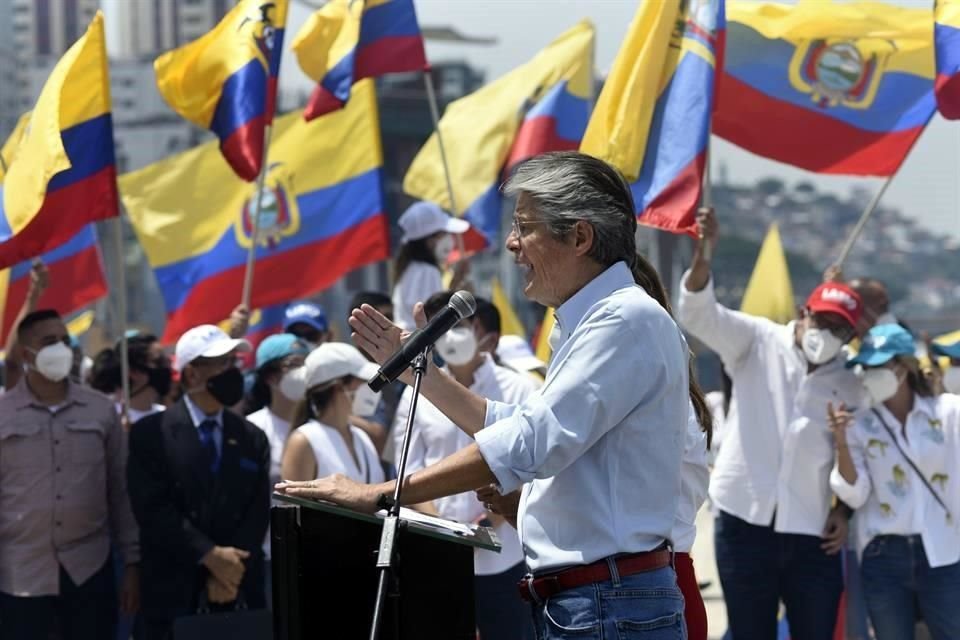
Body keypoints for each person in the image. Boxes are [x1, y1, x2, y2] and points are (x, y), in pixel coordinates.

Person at [278, 151, 713, 639]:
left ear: (580, 237)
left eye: (525, 227)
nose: (511, 243)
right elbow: (521, 424)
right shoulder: (591, 322)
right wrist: (421, 373)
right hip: (594, 601)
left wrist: (380, 495)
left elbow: (528, 441)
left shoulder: (623, 320)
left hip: (608, 603)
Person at [678, 206, 867, 639]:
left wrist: (846, 511)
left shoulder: (852, 384)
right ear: (803, 313)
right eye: (822, 320)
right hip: (743, 520)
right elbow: (699, 314)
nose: (827, 333)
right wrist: (703, 256)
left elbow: (858, 458)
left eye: (840, 329)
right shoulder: (758, 339)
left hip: (812, 530)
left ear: (851, 338)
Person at [395, 290, 540, 640]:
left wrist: (487, 521)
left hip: (506, 559)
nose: (448, 336)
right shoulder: (415, 392)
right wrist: (444, 530)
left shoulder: (519, 388)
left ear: (479, 329)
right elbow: (407, 472)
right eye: (437, 328)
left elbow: (531, 463)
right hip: (439, 559)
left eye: (456, 324)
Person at [0, 310, 139, 640]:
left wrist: (133, 563)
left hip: (89, 569)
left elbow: (120, 491)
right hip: (20, 575)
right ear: (25, 353)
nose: (60, 349)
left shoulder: (101, 410)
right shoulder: (3, 415)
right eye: (49, 342)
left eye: (65, 341)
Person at [127, 324, 270, 640]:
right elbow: (153, 510)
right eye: (221, 363)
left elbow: (257, 511)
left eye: (233, 362)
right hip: (174, 590)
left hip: (239, 588)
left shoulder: (251, 437)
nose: (231, 371)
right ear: (192, 374)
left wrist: (230, 570)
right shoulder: (151, 434)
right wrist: (210, 556)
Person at [829, 324, 960, 640]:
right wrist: (842, 442)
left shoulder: (949, 412)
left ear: (904, 366)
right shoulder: (859, 424)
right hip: (884, 555)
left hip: (944, 550)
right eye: (867, 366)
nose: (871, 373)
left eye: (880, 365)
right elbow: (855, 494)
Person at [280, 342, 385, 486]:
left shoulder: (362, 438)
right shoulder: (303, 441)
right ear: (338, 387)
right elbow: (292, 507)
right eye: (362, 380)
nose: (369, 385)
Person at [391, 201, 469, 331]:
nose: (450, 238)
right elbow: (435, 315)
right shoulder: (427, 271)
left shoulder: (411, 268)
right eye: (444, 233)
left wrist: (456, 280)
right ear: (430, 240)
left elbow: (433, 305)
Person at [90, 332, 172, 425]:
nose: (166, 366)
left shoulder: (167, 417)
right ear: (133, 371)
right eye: (158, 361)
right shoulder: (108, 419)